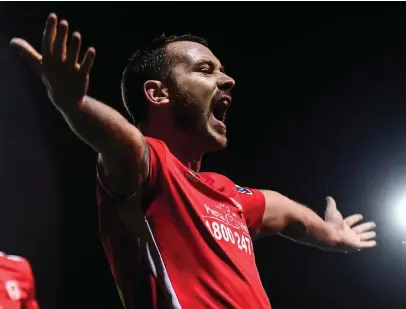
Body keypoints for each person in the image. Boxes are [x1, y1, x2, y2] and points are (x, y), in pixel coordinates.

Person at [10, 13, 377, 309]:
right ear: (157, 93)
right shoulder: (150, 170)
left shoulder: (228, 194)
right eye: (205, 70)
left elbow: (288, 213)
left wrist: (331, 234)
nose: (228, 80)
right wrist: (75, 106)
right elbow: (121, 141)